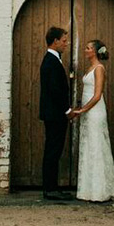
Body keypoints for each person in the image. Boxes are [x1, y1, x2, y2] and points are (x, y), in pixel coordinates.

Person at [69, 39, 114, 202]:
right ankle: (88, 189)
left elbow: (97, 95)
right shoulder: (90, 68)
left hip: (95, 111)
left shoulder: (99, 68)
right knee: (89, 145)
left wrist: (82, 109)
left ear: (95, 52)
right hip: (88, 111)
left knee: (96, 145)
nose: (85, 50)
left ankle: (99, 190)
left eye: (88, 48)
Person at [38, 26, 74, 201]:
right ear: (55, 41)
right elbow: (55, 90)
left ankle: (51, 187)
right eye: (64, 41)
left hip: (53, 113)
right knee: (53, 150)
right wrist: (67, 110)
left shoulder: (53, 60)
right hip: (55, 114)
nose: (66, 44)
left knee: (53, 150)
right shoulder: (50, 62)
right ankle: (50, 189)